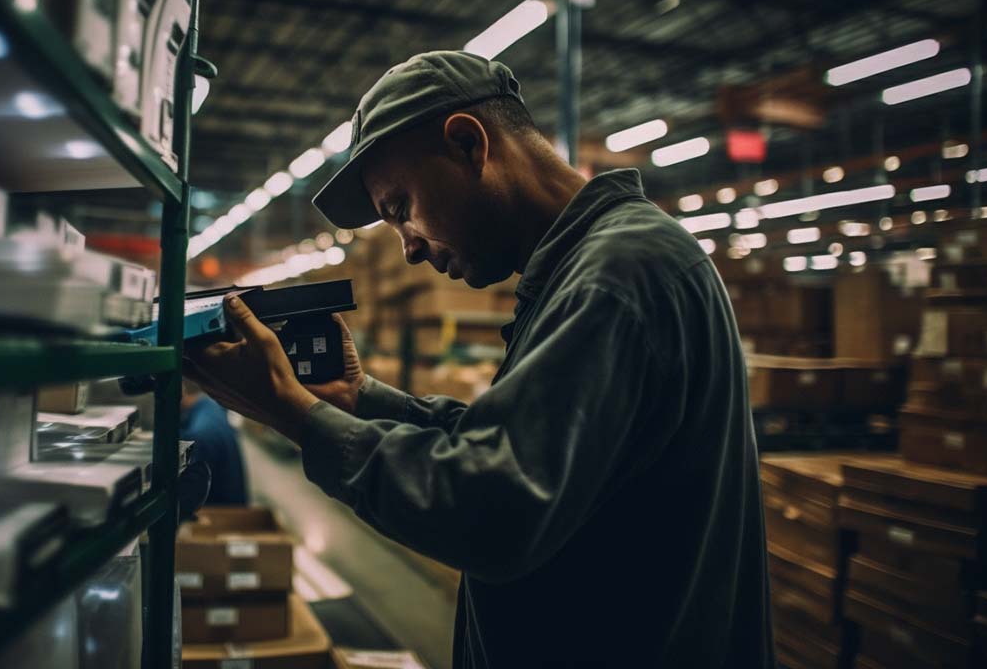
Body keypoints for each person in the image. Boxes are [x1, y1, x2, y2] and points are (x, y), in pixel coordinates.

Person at [185, 51, 773, 667]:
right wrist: (358, 401)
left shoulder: (616, 277)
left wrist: (295, 414)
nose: (409, 248)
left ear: (469, 145)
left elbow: (495, 509)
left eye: (400, 209)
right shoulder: (586, 272)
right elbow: (513, 448)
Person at [180, 379, 248, 506]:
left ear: (181, 390)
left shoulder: (200, 434)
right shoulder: (211, 407)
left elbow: (191, 497)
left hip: (221, 515)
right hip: (233, 507)